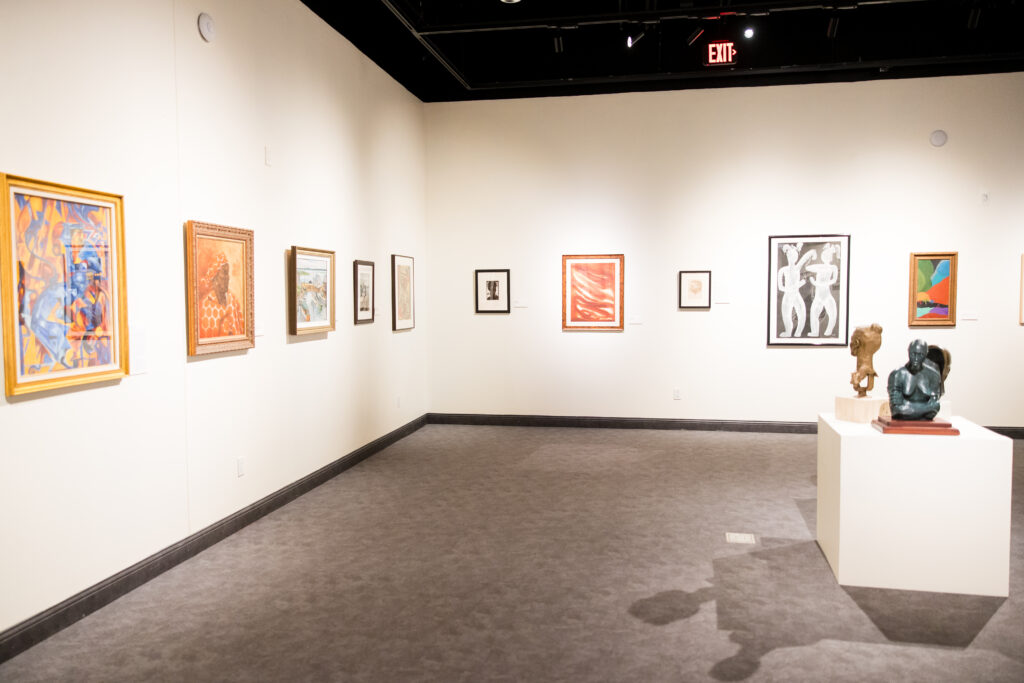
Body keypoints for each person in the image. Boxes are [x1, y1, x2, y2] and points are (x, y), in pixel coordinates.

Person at [887, 339, 943, 420]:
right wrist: (926, 409)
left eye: (920, 355)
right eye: (913, 354)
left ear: (926, 355)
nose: (916, 358)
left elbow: (935, 407)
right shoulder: (897, 374)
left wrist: (908, 408)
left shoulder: (934, 375)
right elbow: (896, 410)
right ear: (908, 352)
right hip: (902, 420)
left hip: (911, 414)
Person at [198, 252, 243, 338]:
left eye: (228, 273)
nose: (228, 277)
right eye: (225, 273)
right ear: (214, 277)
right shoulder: (205, 306)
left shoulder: (233, 301)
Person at [776, 243, 816, 337]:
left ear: (797, 256)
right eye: (790, 255)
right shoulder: (783, 270)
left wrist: (813, 253)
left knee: (802, 314)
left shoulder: (797, 268)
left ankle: (798, 332)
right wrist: (797, 285)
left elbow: (806, 257)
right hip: (787, 297)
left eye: (794, 255)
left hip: (796, 296)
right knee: (786, 316)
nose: (792, 257)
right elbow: (781, 287)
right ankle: (788, 332)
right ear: (787, 255)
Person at [806, 243, 838, 337]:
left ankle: (829, 331)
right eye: (825, 254)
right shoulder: (819, 266)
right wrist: (810, 258)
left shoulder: (833, 267)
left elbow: (833, 280)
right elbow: (807, 268)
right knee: (814, 314)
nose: (826, 256)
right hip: (818, 296)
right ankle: (815, 332)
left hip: (827, 295)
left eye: (828, 255)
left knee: (832, 313)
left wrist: (816, 283)